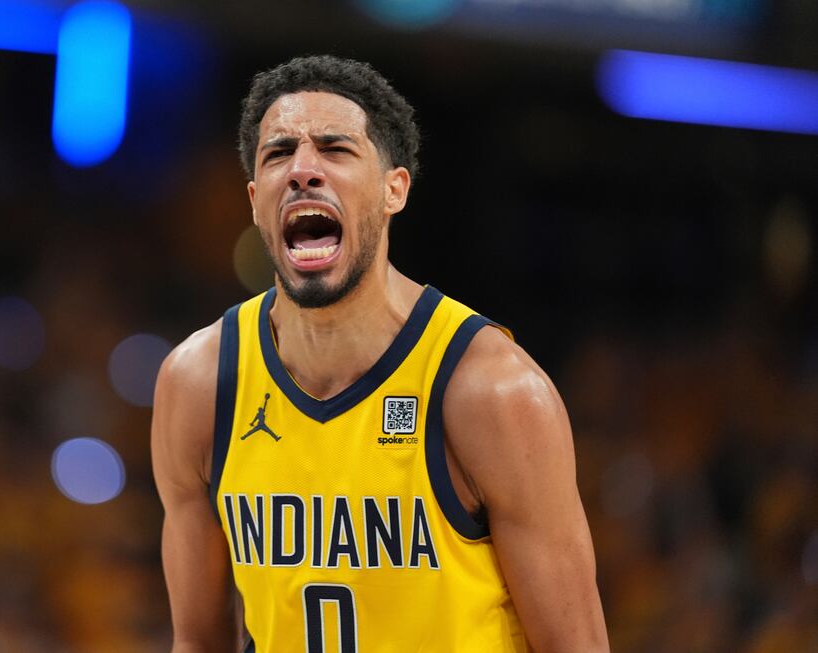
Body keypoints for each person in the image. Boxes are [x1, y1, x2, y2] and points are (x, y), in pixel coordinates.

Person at [151, 55, 609, 653]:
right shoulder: (200, 384)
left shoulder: (491, 392)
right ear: (255, 199)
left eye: (335, 150)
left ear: (394, 189)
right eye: (278, 153)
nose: (303, 170)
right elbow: (198, 642)